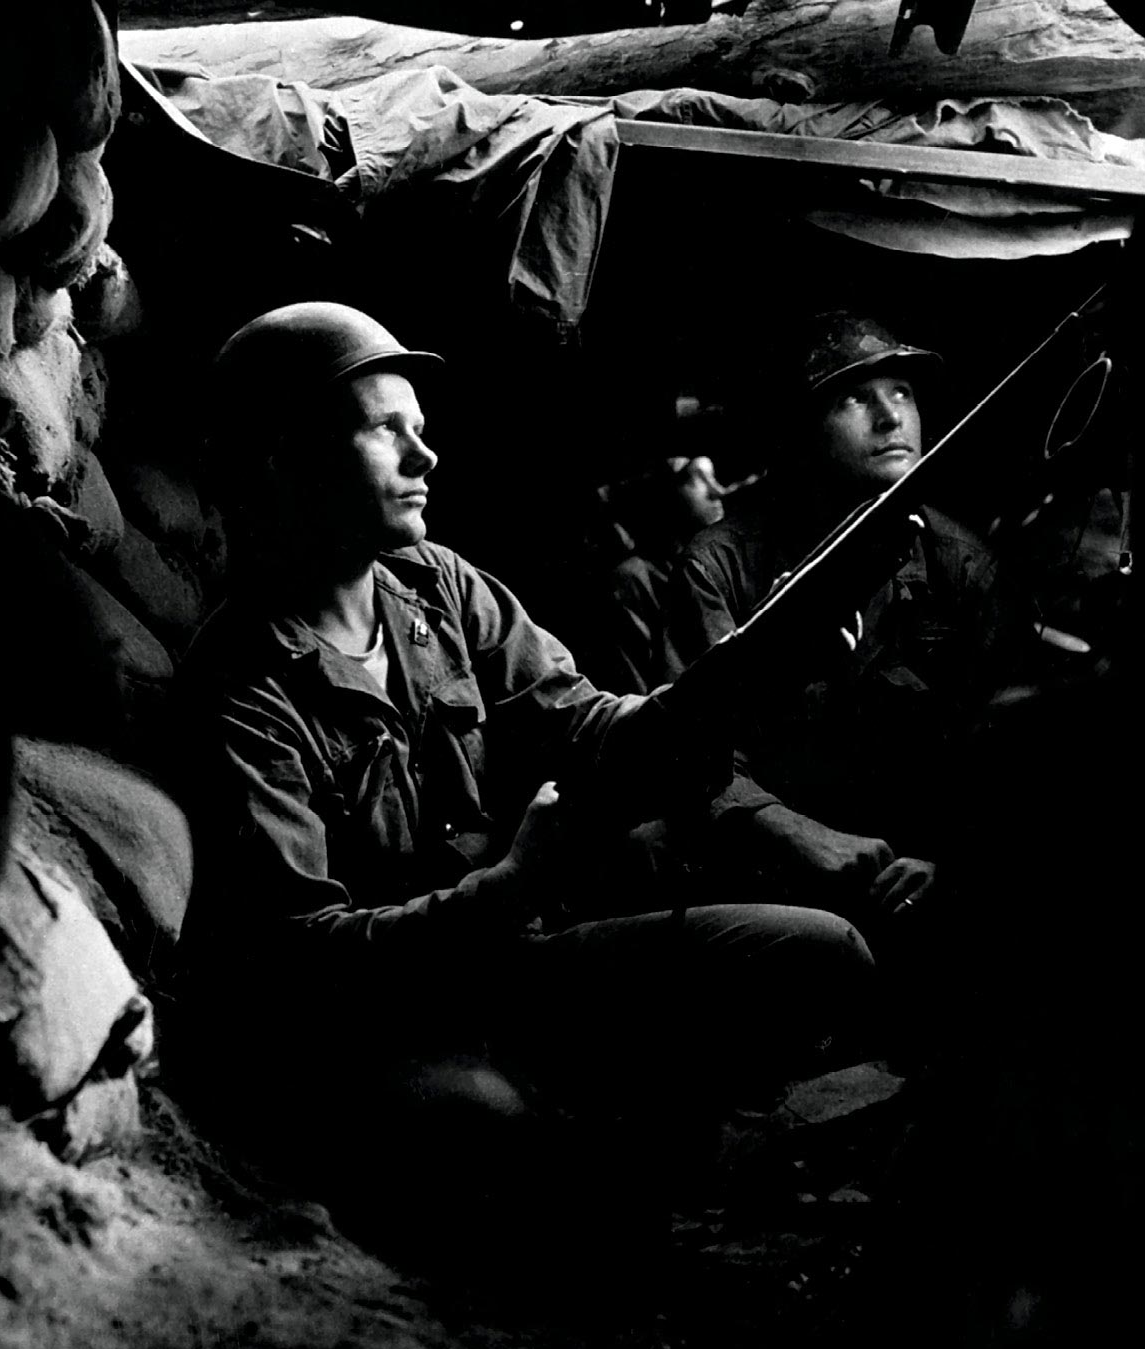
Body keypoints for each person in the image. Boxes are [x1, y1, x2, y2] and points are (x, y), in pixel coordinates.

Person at [171, 301, 875, 1232]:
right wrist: (509, 888)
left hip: (514, 968)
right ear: (283, 456)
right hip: (382, 1029)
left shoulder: (439, 586)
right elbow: (307, 963)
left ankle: (629, 1149)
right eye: (389, 432)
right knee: (499, 1144)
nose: (426, 459)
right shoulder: (243, 685)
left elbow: (589, 728)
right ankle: (617, 1168)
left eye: (421, 432)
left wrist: (748, 676)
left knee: (820, 954)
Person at [660, 312, 1031, 939]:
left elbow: (1006, 752)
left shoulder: (967, 568)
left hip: (914, 885)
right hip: (763, 876)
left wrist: (948, 859)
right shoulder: (720, 564)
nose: (891, 418)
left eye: (903, 394)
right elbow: (681, 748)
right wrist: (789, 830)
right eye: (855, 398)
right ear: (803, 429)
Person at [586, 454, 730, 695]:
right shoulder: (633, 579)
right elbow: (636, 691)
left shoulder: (719, 565)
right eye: (695, 479)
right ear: (664, 492)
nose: (717, 491)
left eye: (713, 477)